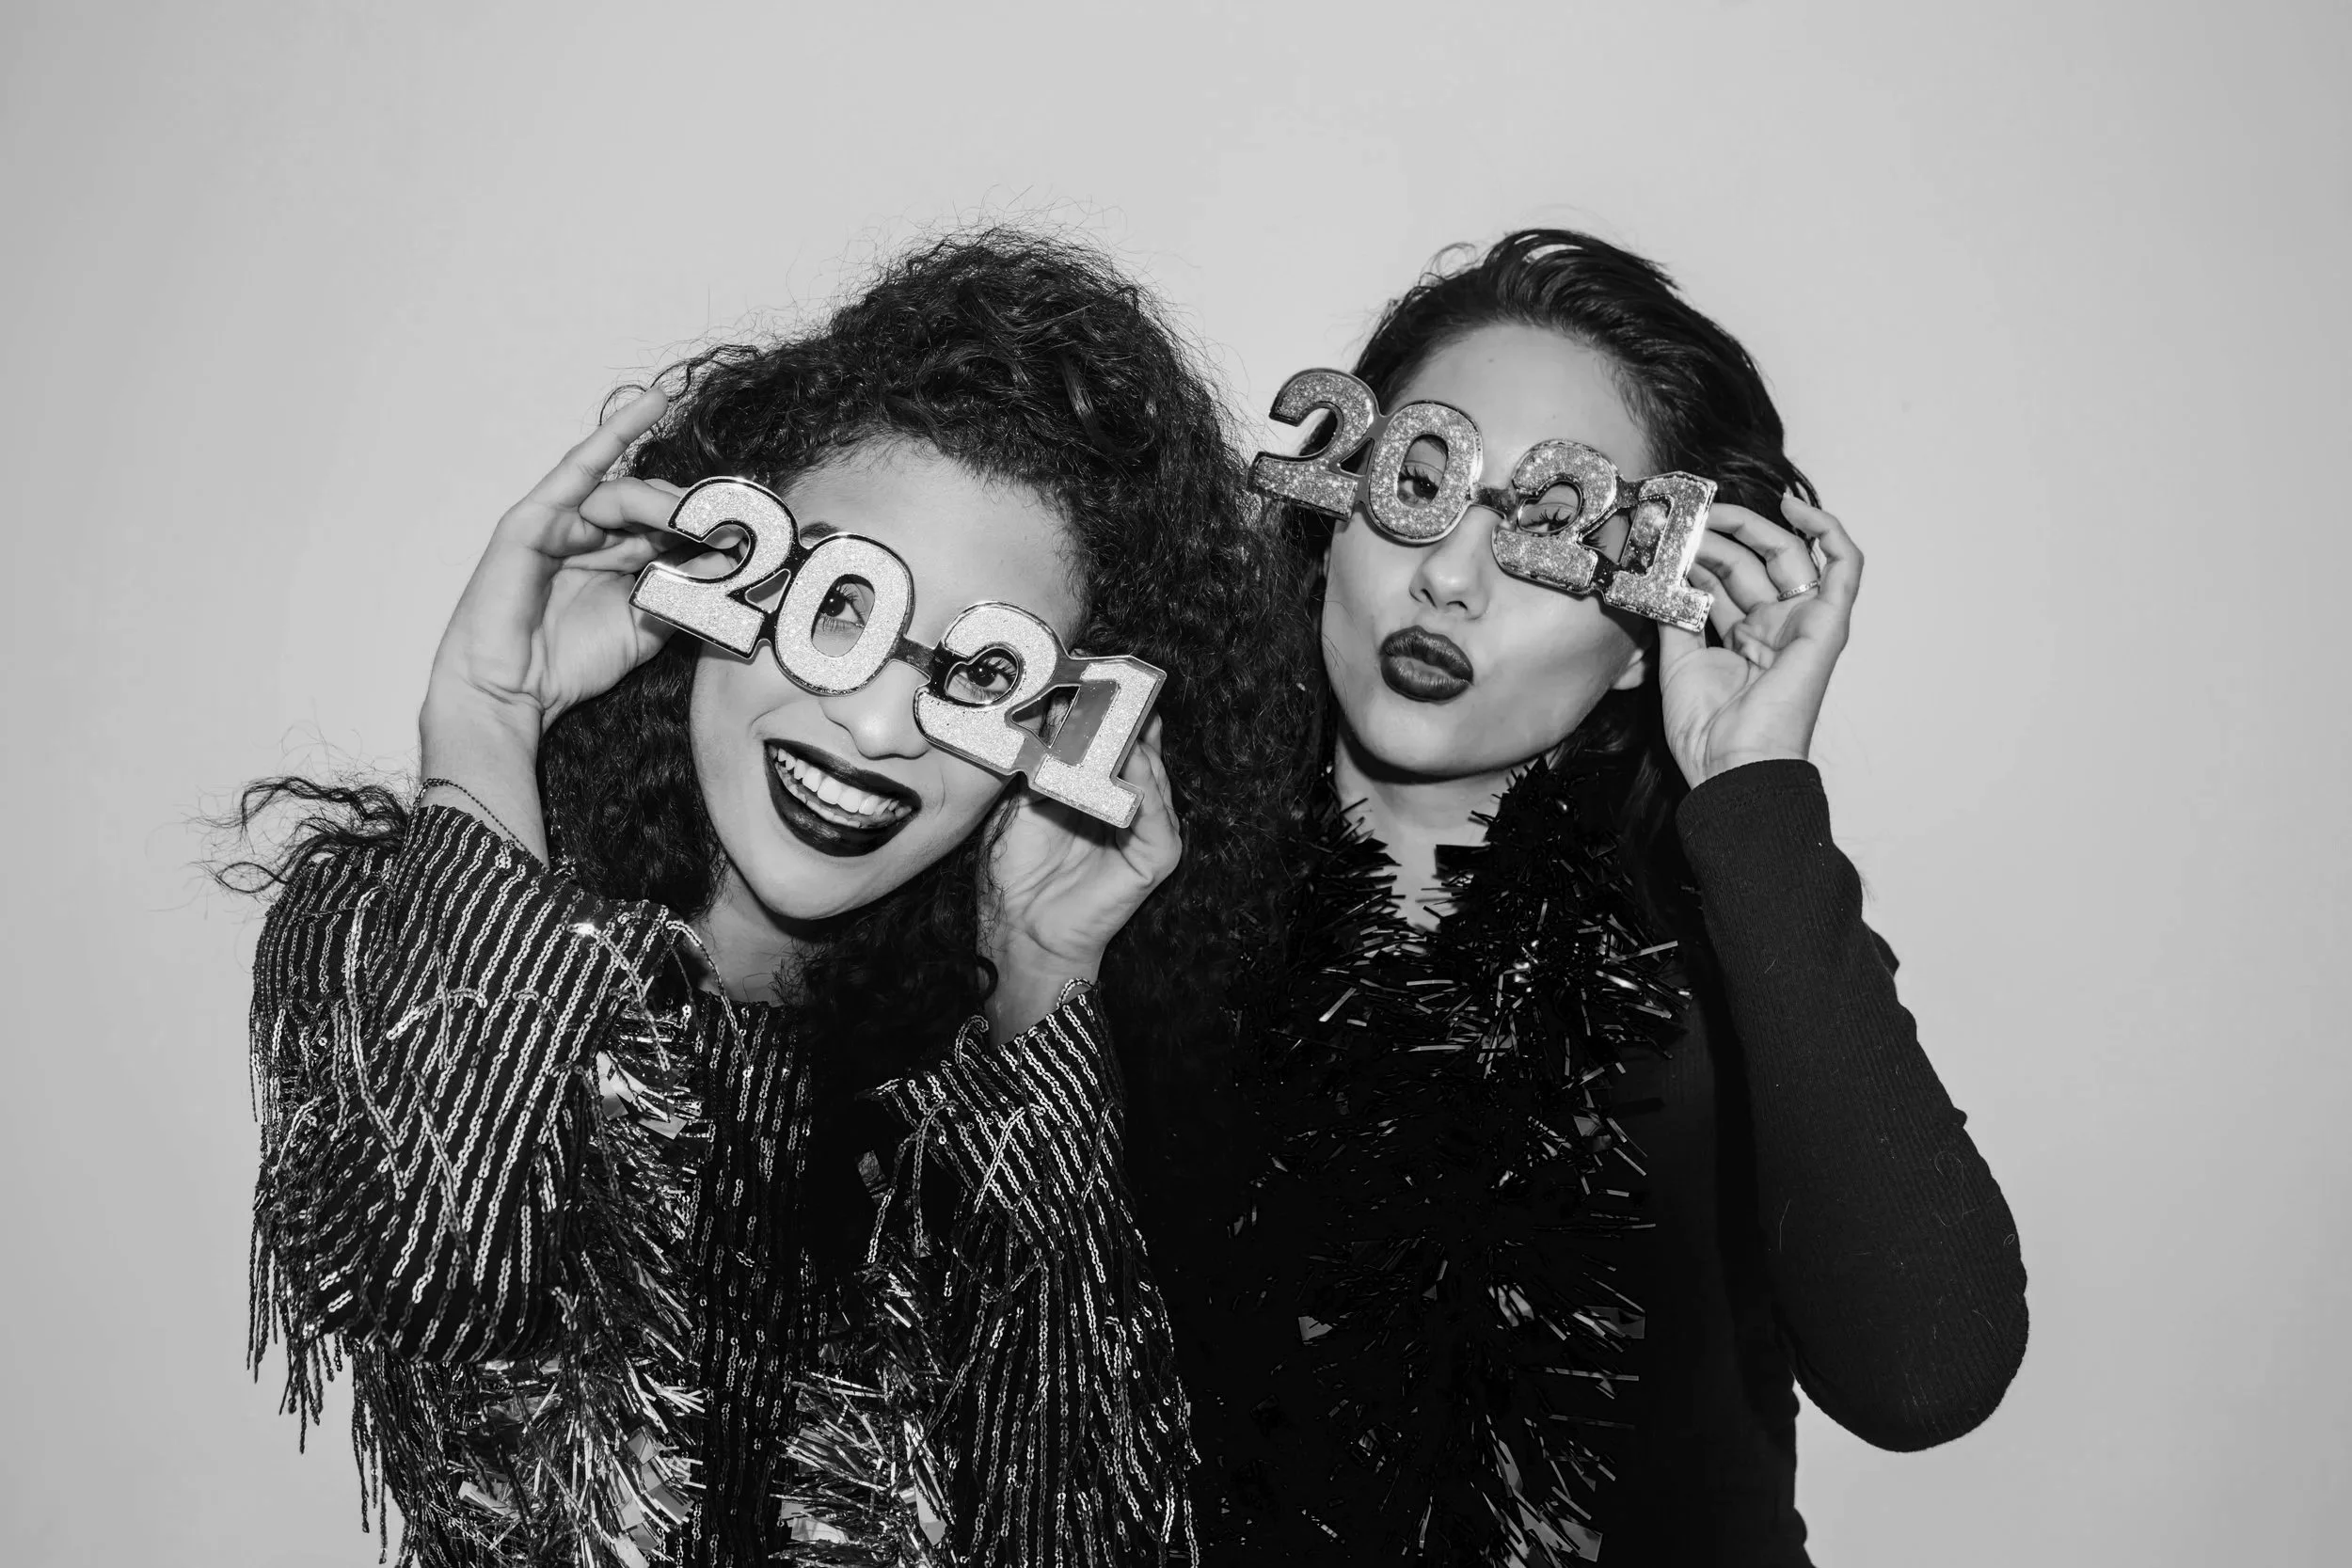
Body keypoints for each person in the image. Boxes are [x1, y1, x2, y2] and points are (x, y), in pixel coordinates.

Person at [223, 229, 1310, 1567]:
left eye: (975, 676)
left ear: (1061, 732)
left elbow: (1084, 1532)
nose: (876, 725)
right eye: (841, 607)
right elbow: (433, 1266)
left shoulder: (1003, 1095)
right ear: (725, 576)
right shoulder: (418, 927)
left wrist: (1041, 983)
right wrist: (487, 726)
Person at [1181, 230, 2030, 1565]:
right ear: (1336, 500)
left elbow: (1926, 1371)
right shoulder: (1120, 898)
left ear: (1647, 633)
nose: (1451, 578)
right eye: (1420, 482)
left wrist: (1753, 798)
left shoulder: (1720, 944)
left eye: (1551, 531)